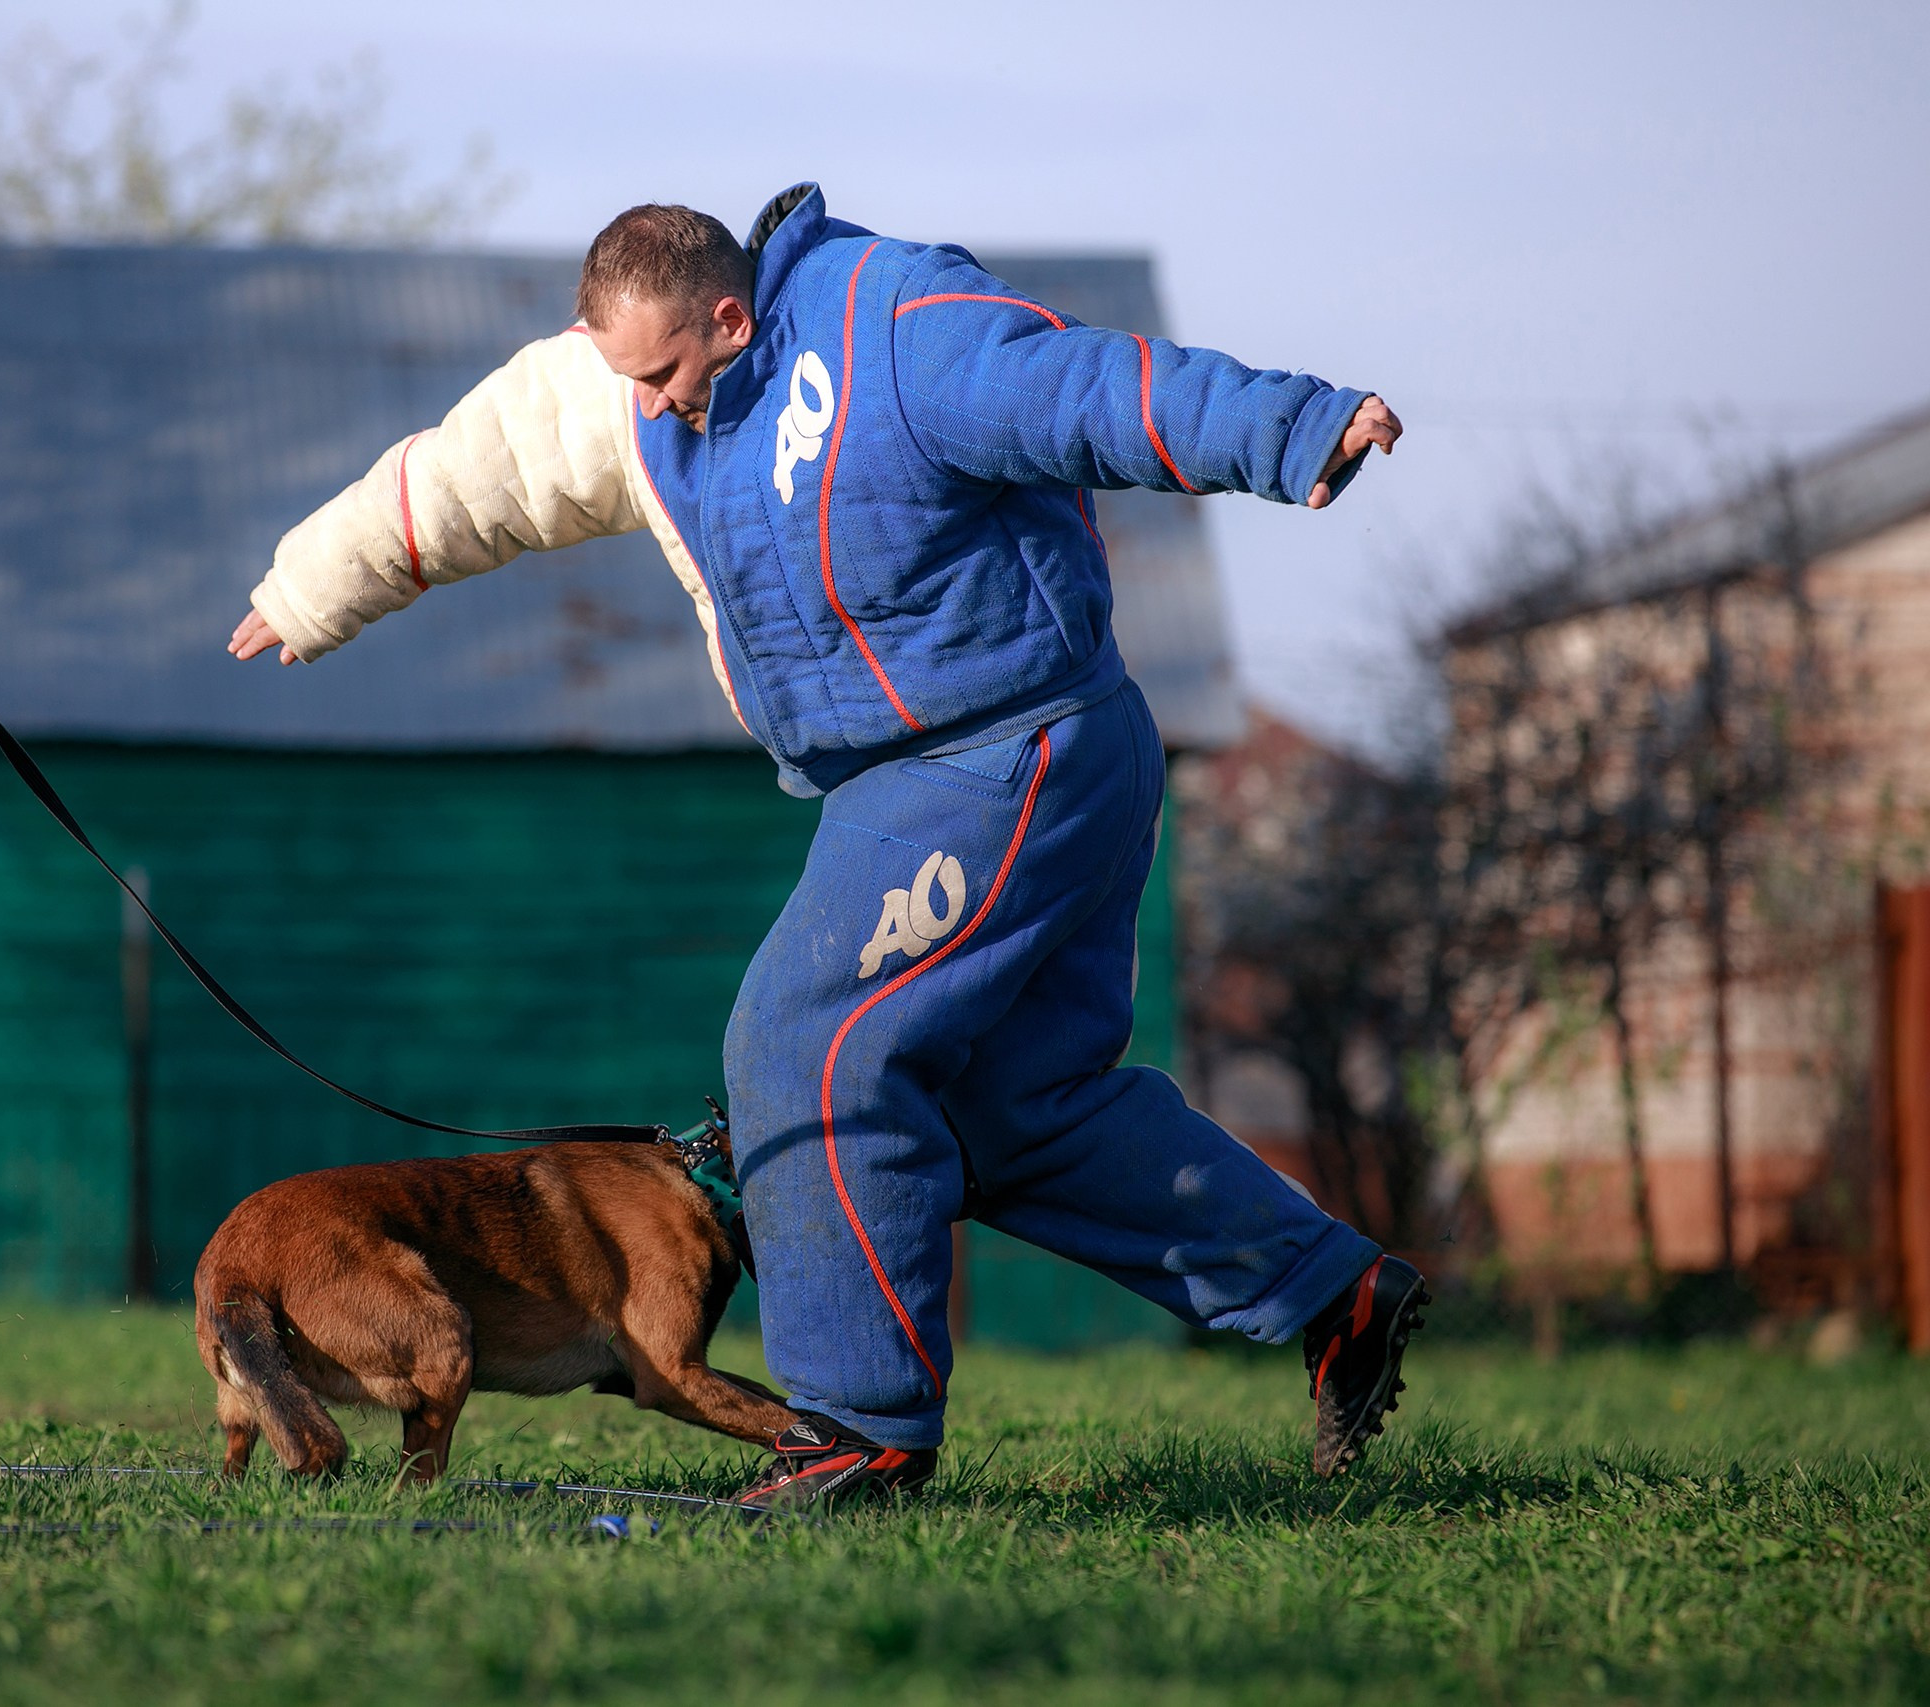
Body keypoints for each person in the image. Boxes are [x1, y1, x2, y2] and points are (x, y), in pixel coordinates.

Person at [232, 185, 1424, 1510]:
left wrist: (1292, 427)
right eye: (626, 380)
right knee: (1013, 1114)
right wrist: (309, 588)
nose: (650, 407)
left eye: (666, 376)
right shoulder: (642, 388)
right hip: (926, 779)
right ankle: (1333, 1293)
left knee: (799, 1046)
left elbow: (1083, 386)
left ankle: (858, 1430)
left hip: (1002, 753)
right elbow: (483, 468)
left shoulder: (892, 328)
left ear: (730, 317)